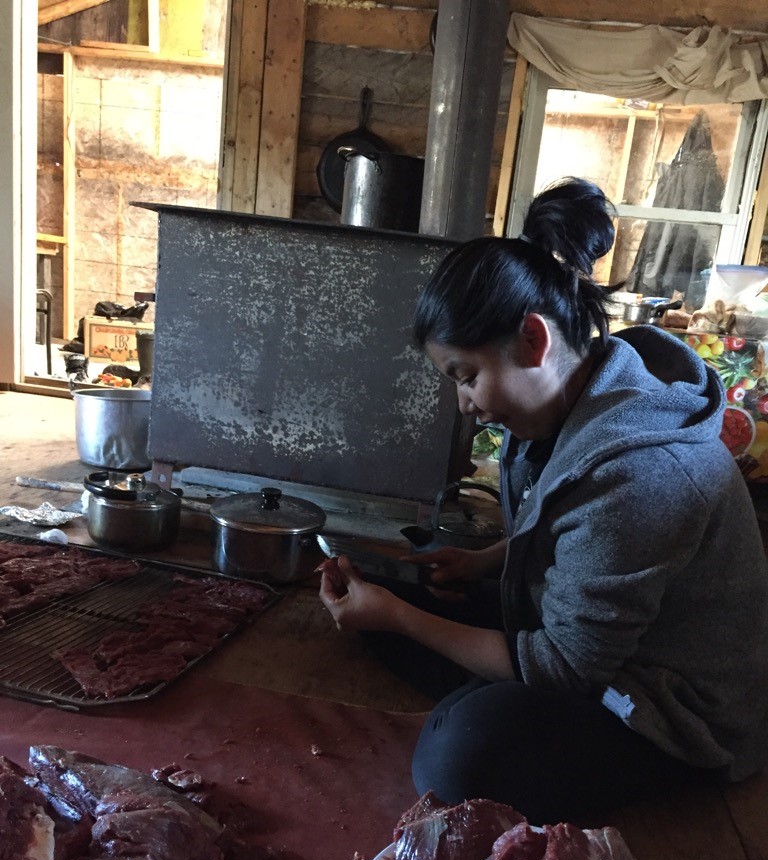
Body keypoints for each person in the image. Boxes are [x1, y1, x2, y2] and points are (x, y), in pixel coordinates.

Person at [318, 177, 768, 825]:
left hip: (672, 708)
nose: (465, 404)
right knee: (407, 593)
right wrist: (486, 562)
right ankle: (476, 672)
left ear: (533, 339)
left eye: (466, 377)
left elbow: (566, 667)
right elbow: (566, 534)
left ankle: (483, 696)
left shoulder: (641, 474)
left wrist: (398, 618)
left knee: (456, 756)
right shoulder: (574, 401)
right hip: (600, 646)